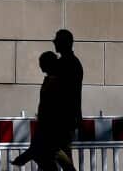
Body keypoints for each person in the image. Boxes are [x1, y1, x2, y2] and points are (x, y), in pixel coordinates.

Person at [11, 52, 71, 171]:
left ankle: (24, 158)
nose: (40, 66)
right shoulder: (52, 80)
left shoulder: (55, 81)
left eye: (42, 63)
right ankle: (25, 157)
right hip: (48, 124)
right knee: (48, 154)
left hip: (51, 125)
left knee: (50, 153)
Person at [51, 29, 83, 171]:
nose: (54, 43)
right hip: (66, 118)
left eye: (57, 40)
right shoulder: (72, 63)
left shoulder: (66, 64)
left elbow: (64, 94)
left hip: (62, 119)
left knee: (56, 151)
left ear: (65, 43)